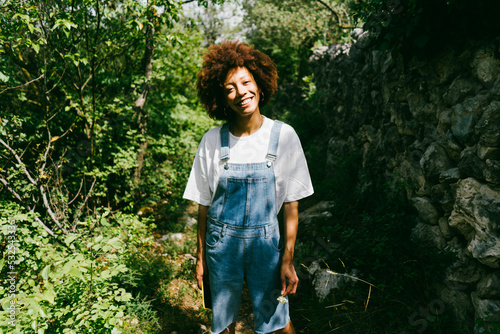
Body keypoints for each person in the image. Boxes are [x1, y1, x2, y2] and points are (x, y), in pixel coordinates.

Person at [183, 40, 314, 334]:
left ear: (259, 82)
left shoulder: (284, 136)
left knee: (277, 320)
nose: (241, 92)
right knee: (223, 324)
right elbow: (203, 204)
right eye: (230, 87)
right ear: (221, 97)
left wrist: (288, 259)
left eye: (246, 82)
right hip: (221, 246)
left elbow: (292, 205)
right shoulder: (212, 140)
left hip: (266, 246)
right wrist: (202, 256)